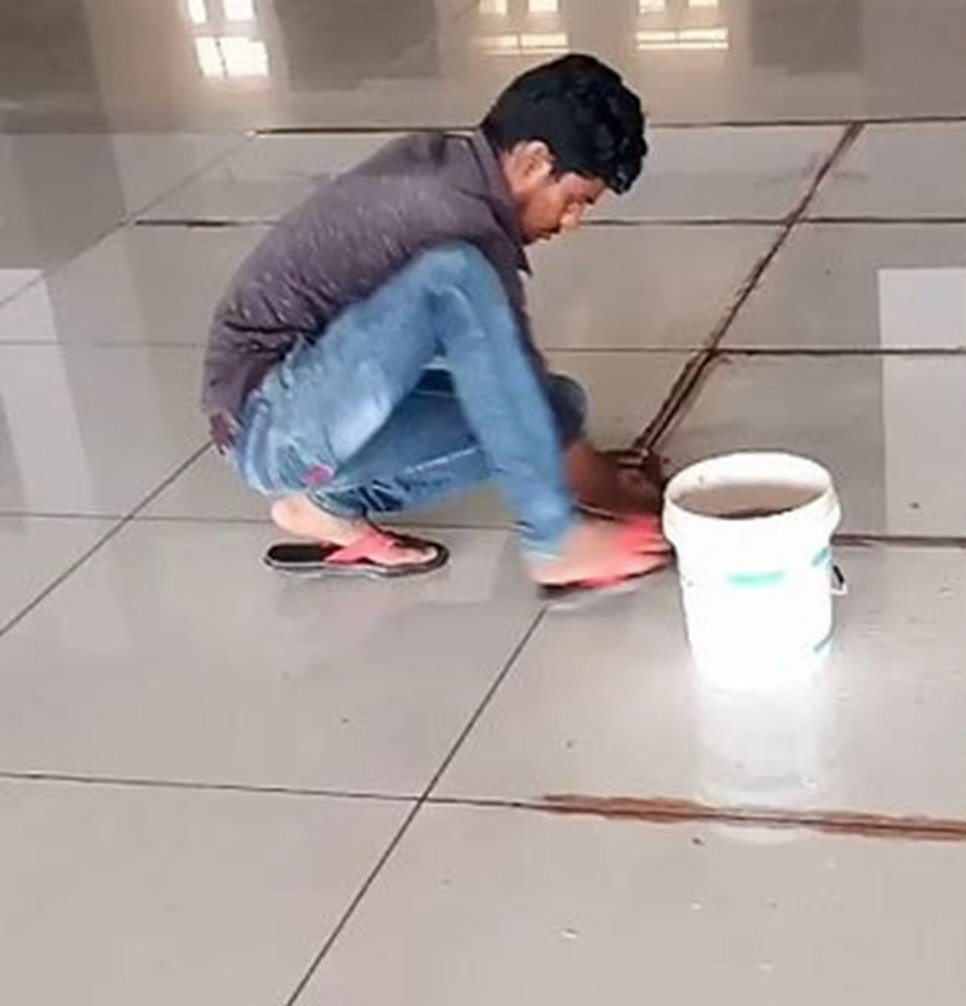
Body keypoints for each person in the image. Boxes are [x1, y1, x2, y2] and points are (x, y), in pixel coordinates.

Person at [202, 53, 667, 598]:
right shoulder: (453, 217)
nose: (572, 223)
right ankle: (554, 540)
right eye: (573, 202)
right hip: (267, 421)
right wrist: (606, 492)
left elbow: (505, 374)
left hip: (319, 391)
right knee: (455, 280)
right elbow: (505, 366)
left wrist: (594, 478)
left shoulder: (454, 171)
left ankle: (324, 505)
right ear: (535, 162)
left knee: (554, 405)